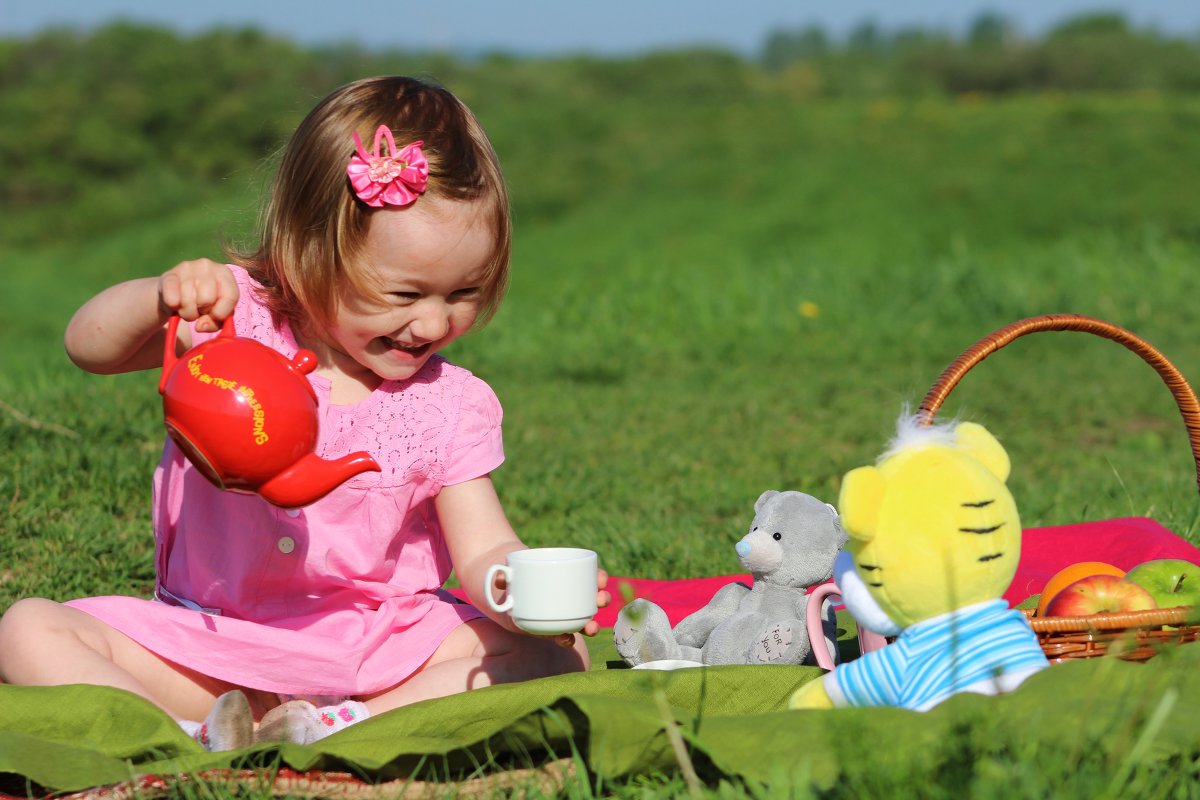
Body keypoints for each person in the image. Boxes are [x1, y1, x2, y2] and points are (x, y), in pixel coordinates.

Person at [0, 76, 610, 750]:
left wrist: (520, 594)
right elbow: (88, 347)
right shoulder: (231, 320)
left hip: (379, 656)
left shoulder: (450, 404)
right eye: (403, 292)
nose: (433, 321)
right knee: (27, 630)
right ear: (307, 248)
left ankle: (338, 727)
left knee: (557, 659)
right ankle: (186, 734)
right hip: (213, 648)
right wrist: (158, 298)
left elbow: (484, 548)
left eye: (465, 291)